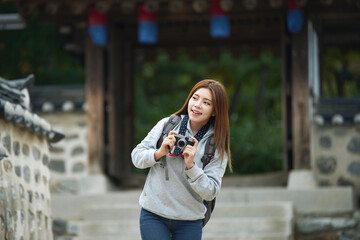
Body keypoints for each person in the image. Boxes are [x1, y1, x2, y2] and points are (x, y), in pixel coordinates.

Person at [131, 79, 232, 240]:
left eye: (206, 103)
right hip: (154, 214)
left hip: (190, 221)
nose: (197, 105)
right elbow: (136, 157)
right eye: (195, 98)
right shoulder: (168, 125)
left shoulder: (216, 144)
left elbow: (211, 191)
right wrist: (159, 153)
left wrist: (192, 167)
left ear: (215, 111)